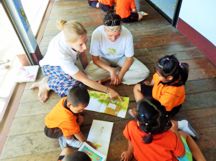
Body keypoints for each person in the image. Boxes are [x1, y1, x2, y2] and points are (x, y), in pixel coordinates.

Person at [31, 19, 120, 103]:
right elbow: (84, 79)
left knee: (83, 79)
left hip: (66, 64)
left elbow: (81, 53)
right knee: (74, 89)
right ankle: (46, 84)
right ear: (68, 43)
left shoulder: (71, 34)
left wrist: (86, 71)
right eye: (81, 44)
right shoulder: (62, 55)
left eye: (86, 41)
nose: (85, 47)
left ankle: (52, 80)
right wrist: (108, 90)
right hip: (51, 67)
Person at [131, 55, 199, 138]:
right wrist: (151, 84)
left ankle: (181, 124)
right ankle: (142, 109)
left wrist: (149, 115)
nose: (157, 74)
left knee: (157, 123)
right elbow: (155, 78)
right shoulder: (163, 75)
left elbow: (160, 109)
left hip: (165, 107)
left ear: (169, 78)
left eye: (159, 74)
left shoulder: (173, 92)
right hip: (157, 95)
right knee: (137, 87)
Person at [121, 98, 206, 161]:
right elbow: (181, 154)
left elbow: (131, 139)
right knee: (184, 134)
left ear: (138, 121)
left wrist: (129, 152)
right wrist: (176, 132)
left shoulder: (131, 126)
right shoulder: (170, 137)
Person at [85, 11, 149, 85]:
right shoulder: (97, 33)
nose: (113, 39)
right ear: (104, 30)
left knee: (144, 72)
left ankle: (110, 77)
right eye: (110, 36)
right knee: (88, 74)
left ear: (121, 29)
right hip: (104, 59)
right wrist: (111, 70)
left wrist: (121, 75)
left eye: (117, 35)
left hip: (122, 58)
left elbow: (129, 58)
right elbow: (95, 60)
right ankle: (116, 72)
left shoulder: (127, 34)